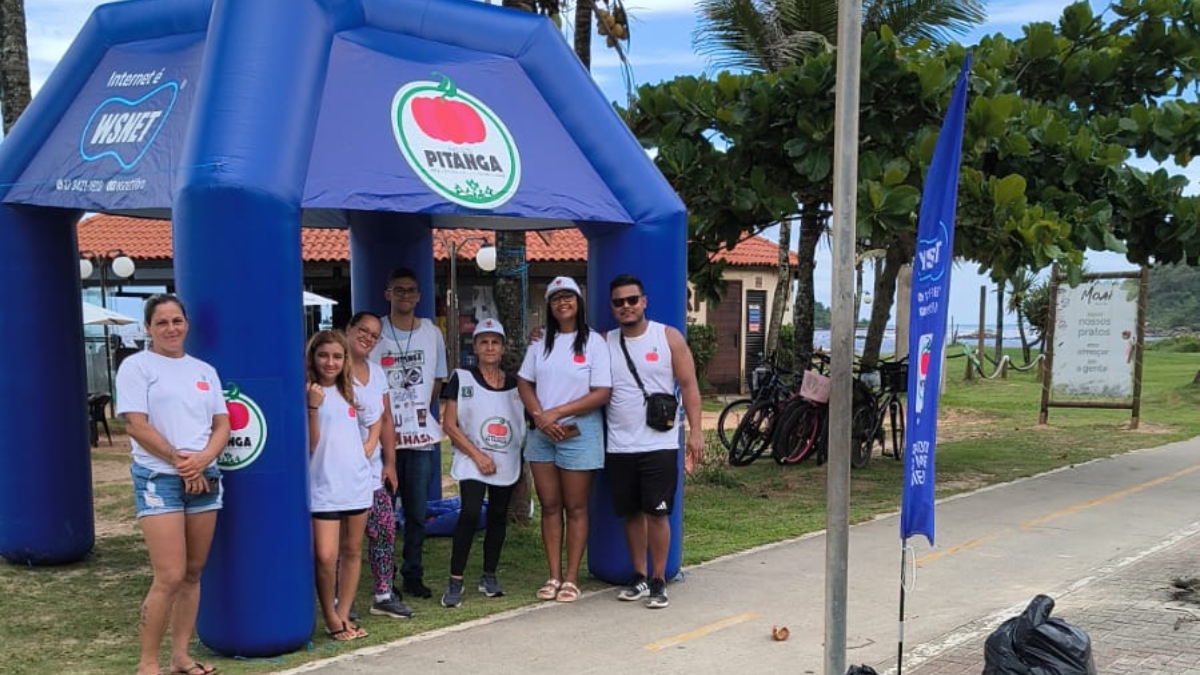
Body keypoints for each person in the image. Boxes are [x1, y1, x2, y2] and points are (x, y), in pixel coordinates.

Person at [115, 294, 230, 675]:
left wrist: (202, 460)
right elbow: (135, 424)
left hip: (205, 477)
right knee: (169, 574)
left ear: (187, 323)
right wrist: (182, 463)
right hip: (159, 477)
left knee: (193, 572)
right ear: (148, 328)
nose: (170, 329)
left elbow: (222, 425)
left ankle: (180, 656)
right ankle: (148, 663)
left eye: (176, 320)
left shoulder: (204, 371)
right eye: (161, 322)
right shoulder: (137, 367)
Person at [604, 274, 704, 609]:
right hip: (619, 444)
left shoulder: (668, 337)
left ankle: (659, 579)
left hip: (659, 444)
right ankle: (639, 575)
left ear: (644, 301)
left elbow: (689, 386)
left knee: (657, 514)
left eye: (632, 300)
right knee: (631, 514)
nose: (626, 307)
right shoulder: (605, 342)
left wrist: (696, 432)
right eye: (619, 302)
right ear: (612, 307)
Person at [517, 276, 612, 603]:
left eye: (568, 296)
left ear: (578, 301)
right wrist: (541, 416)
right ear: (549, 306)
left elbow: (602, 392)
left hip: (579, 432)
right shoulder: (540, 341)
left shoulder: (594, 343)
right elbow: (524, 381)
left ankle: (571, 578)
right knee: (550, 506)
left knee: (575, 506)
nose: (562, 303)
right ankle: (553, 575)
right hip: (542, 433)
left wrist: (556, 412)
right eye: (556, 298)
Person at [369, 267, 448, 600]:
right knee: (383, 514)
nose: (405, 295)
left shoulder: (432, 333)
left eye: (411, 290)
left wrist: (416, 410)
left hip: (419, 438)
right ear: (388, 293)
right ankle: (384, 581)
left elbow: (439, 378)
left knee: (417, 511)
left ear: (419, 296)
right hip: (383, 438)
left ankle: (412, 573)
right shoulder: (376, 333)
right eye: (398, 290)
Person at [439, 318, 527, 607]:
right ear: (475, 346)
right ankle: (456, 579)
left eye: (495, 342)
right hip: (472, 459)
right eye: (484, 342)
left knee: (498, 516)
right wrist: (477, 455)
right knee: (470, 512)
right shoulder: (461, 379)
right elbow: (450, 425)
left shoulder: (516, 385)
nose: (490, 347)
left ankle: (489, 575)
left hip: (504, 460)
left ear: (502, 348)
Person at [306, 330, 379, 641]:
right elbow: (311, 444)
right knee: (325, 556)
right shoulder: (308, 392)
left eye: (337, 356)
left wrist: (368, 447)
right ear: (313, 357)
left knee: (352, 551)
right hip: (322, 487)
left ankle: (345, 612)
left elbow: (377, 418)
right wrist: (312, 407)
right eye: (324, 355)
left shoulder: (353, 391)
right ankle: (331, 616)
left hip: (356, 484)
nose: (330, 362)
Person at [346, 312, 412, 619]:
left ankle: (383, 594)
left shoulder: (376, 372)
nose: (367, 338)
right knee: (345, 540)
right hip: (339, 471)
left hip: (373, 471)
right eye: (363, 331)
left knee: (384, 532)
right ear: (349, 329)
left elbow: (386, 419)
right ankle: (340, 600)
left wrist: (391, 462)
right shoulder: (331, 368)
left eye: (374, 335)